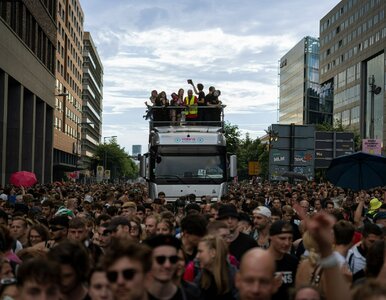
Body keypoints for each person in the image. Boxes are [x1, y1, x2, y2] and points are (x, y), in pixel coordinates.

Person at [144, 234, 198, 300]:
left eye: (173, 259)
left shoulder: (191, 296)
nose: (167, 265)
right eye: (160, 260)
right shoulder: (135, 296)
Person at [194, 235, 237, 300]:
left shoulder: (235, 278)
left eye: (200, 251)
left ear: (213, 253)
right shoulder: (201, 278)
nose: (197, 256)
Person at [267, 220, 299, 300]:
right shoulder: (259, 261)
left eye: (290, 239)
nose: (287, 243)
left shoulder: (293, 261)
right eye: (282, 238)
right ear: (271, 237)